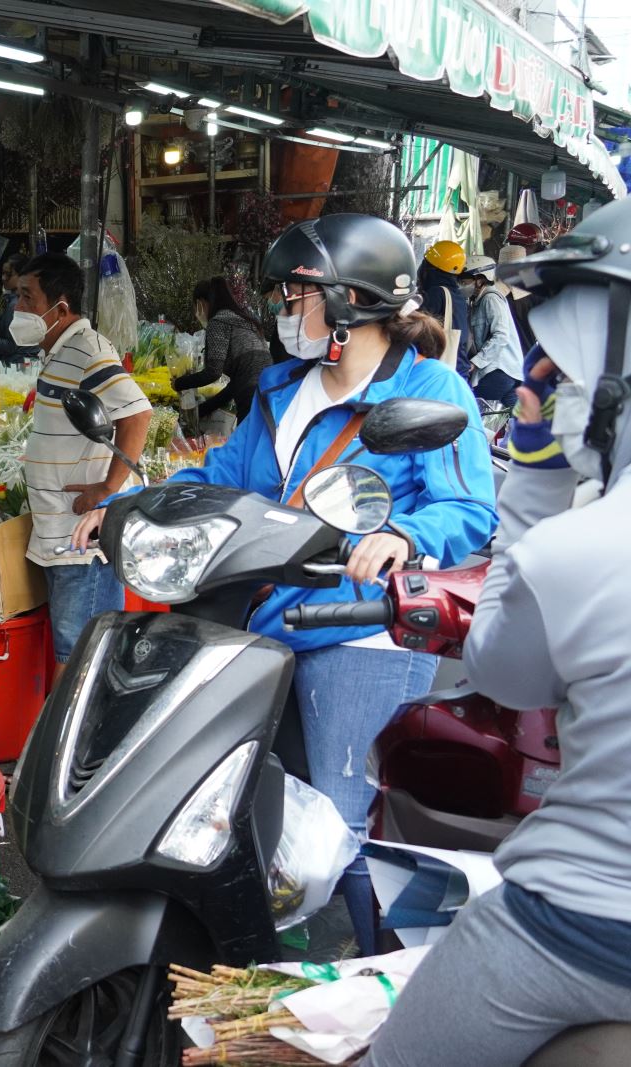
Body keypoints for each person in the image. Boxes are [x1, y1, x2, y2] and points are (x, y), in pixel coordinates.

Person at [70, 214, 497, 954]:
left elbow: (467, 508)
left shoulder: (428, 387)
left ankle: (373, 979)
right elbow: (219, 478)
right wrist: (128, 507)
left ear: (349, 301)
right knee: (226, 800)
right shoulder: (281, 389)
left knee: (335, 819)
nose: (280, 309)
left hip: (361, 628)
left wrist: (402, 537)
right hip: (263, 623)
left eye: (295, 295)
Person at [364, 199, 631, 1067]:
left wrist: (536, 479)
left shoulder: (581, 552)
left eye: (568, 362)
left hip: (580, 927)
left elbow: (506, 675)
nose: (546, 379)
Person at [18, 251, 152, 677]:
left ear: (60, 306)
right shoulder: (60, 351)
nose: (18, 308)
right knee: (71, 651)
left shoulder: (85, 349)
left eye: (27, 297)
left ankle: (72, 743)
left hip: (82, 544)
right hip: (59, 536)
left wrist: (108, 489)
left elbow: (137, 413)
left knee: (79, 659)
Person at [175, 276, 271, 426]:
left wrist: (179, 383)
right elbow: (235, 386)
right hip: (268, 388)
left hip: (250, 393)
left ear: (201, 303)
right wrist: (203, 410)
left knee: (246, 443)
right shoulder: (245, 321)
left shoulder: (218, 322)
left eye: (196, 306)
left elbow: (213, 372)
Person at [460, 255, 523, 408]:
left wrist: (476, 362)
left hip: (498, 369)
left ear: (481, 280)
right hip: (509, 371)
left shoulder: (490, 299)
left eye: (466, 280)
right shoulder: (477, 302)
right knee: (513, 421)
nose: (462, 284)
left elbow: (501, 335)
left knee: (468, 405)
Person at [417, 239, 473, 376]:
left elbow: (416, 330)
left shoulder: (437, 294)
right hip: (458, 370)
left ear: (431, 269)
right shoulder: (457, 296)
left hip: (440, 372)